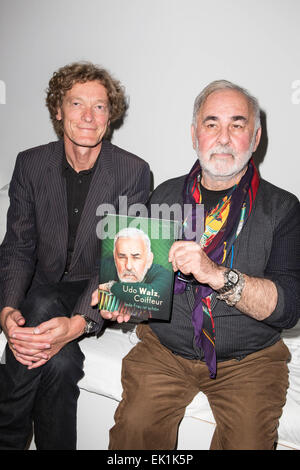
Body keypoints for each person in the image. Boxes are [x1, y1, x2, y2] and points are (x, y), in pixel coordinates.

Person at [97, 80, 300, 450]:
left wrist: (216, 275)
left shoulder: (283, 209)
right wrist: (128, 301)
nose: (223, 137)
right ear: (195, 135)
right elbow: (147, 286)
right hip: (165, 351)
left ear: (255, 138)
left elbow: (287, 309)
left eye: (237, 125)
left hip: (249, 360)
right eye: (211, 124)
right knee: (133, 436)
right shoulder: (164, 196)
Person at [0, 61, 150, 450]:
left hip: (91, 288)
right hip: (40, 287)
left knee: (49, 302)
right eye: (76, 104)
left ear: (110, 116)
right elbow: (18, 246)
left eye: (99, 106)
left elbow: (118, 260)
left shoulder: (133, 172)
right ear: (57, 110)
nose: (87, 116)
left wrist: (80, 322)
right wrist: (6, 311)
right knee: (61, 364)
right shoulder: (30, 164)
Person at [98, 227, 172, 320]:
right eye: (122, 257)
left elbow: (150, 296)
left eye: (136, 257)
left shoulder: (164, 275)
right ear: (115, 257)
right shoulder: (104, 266)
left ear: (149, 260)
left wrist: (110, 286)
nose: (128, 266)